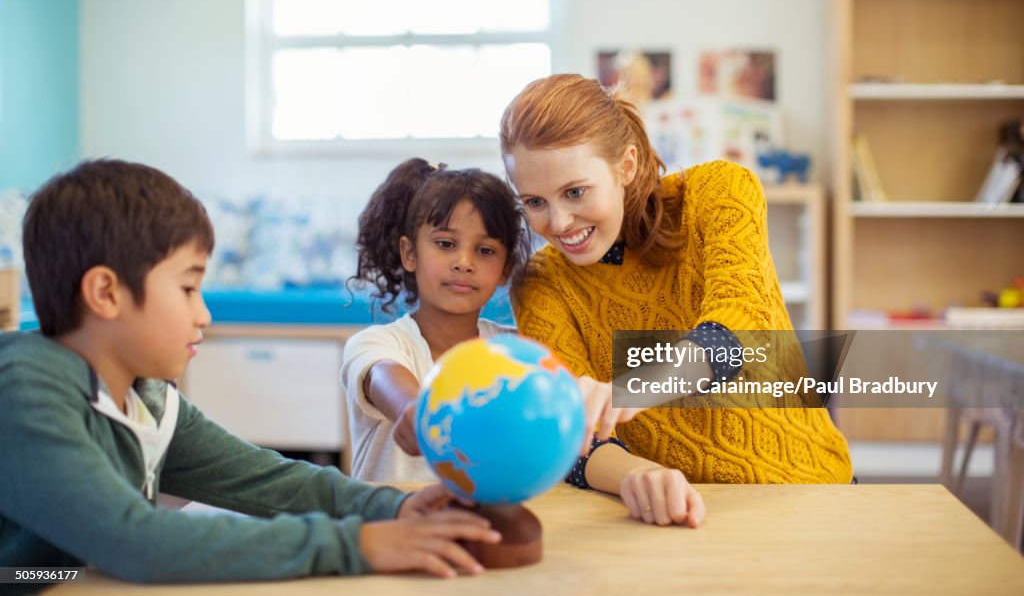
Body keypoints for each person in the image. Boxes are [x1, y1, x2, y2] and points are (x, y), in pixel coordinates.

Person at [0, 159, 502, 588]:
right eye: (189, 289)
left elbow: (267, 480)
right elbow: (137, 542)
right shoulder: (26, 390)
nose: (204, 315)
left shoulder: (147, 397)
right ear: (106, 293)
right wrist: (361, 544)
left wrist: (388, 509)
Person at [500, 74, 853, 486]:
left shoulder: (718, 191)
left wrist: (625, 388)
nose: (558, 223)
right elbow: (574, 441)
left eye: (575, 192)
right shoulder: (541, 282)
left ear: (626, 165)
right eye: (535, 202)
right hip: (677, 512)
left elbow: (740, 328)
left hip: (813, 486)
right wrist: (639, 477)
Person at [341, 159, 704, 527]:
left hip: (487, 534)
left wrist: (636, 472)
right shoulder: (379, 343)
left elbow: (573, 437)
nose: (464, 262)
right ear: (410, 254)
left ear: (504, 270)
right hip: (394, 535)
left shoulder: (520, 353)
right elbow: (387, 381)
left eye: (485, 251)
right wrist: (415, 411)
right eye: (446, 244)